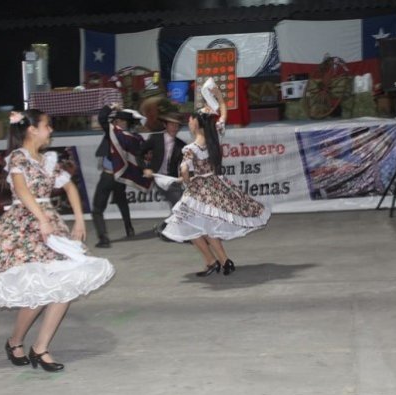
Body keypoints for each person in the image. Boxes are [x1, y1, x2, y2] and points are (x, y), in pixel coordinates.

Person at [0, 110, 115, 372]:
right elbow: (21, 191)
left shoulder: (47, 159)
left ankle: (40, 348)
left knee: (63, 286)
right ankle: (15, 341)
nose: (51, 130)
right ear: (32, 129)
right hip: (25, 225)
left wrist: (80, 219)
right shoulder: (17, 157)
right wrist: (41, 219)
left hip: (50, 226)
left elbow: (69, 186)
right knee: (37, 290)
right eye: (47, 125)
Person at [161, 87, 270, 276]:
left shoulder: (191, 148)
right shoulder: (214, 136)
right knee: (204, 226)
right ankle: (221, 261)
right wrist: (219, 97)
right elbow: (223, 114)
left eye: (191, 118)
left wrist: (186, 182)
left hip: (199, 192)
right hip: (215, 186)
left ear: (196, 123)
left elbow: (186, 170)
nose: (189, 121)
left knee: (186, 223)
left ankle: (214, 261)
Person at [92, 104, 147, 248]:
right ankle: (129, 228)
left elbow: (101, 118)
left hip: (108, 175)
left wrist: (111, 106)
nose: (115, 122)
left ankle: (103, 238)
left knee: (97, 209)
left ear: (120, 122)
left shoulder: (114, 133)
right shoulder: (134, 138)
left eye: (117, 120)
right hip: (120, 175)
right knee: (121, 201)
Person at [142, 112, 187, 235]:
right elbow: (139, 153)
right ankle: (174, 231)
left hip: (172, 179)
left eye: (177, 125)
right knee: (179, 203)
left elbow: (185, 164)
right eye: (171, 124)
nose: (174, 127)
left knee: (181, 204)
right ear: (165, 125)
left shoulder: (181, 145)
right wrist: (145, 168)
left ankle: (163, 228)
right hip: (157, 177)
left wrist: (184, 176)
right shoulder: (155, 138)